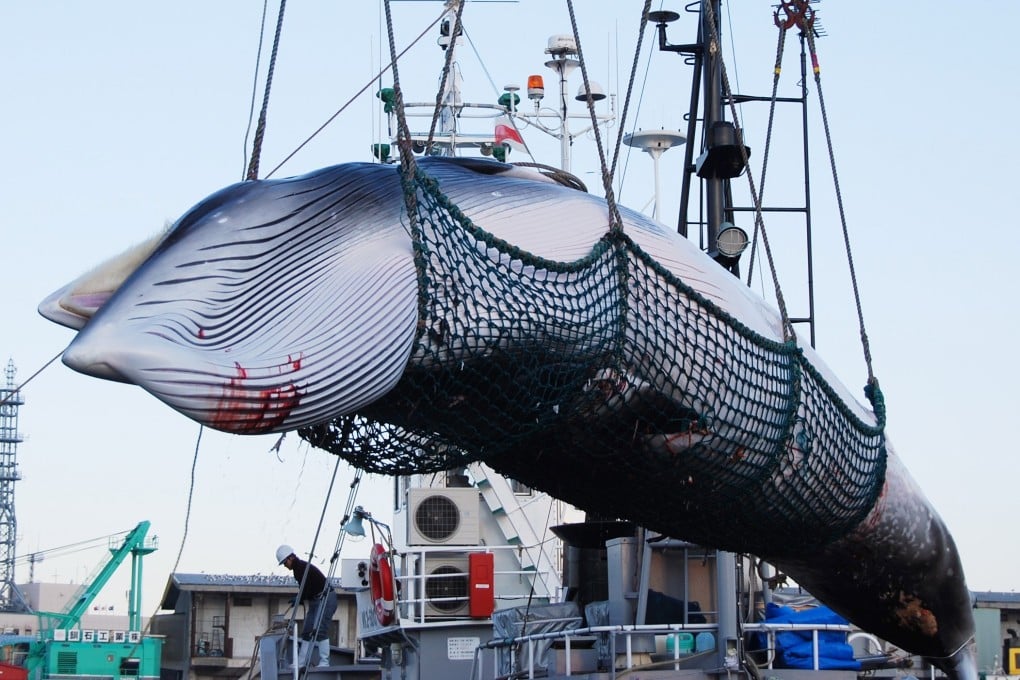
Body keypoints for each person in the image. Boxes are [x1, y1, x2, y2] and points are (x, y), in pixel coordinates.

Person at [276, 544, 337, 668]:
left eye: (284, 562)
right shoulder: (298, 569)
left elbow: (306, 588)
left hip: (326, 598)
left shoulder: (301, 568)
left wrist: (299, 598)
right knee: (307, 631)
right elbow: (307, 589)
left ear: (290, 558)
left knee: (320, 630)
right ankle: (301, 662)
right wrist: (301, 598)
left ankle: (324, 662)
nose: (285, 565)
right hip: (315, 600)